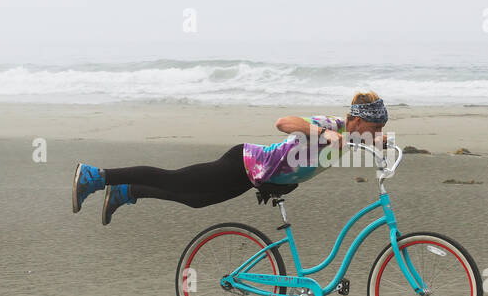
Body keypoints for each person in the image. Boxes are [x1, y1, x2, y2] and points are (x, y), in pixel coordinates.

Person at [71, 90, 389, 224]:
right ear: (357, 120)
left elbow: (361, 141)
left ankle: (128, 191)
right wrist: (321, 134)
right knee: (175, 180)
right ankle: (97, 176)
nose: (375, 134)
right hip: (241, 164)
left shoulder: (351, 136)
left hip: (256, 178)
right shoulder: (329, 126)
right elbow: (283, 123)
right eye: (374, 128)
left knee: (194, 200)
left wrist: (384, 140)